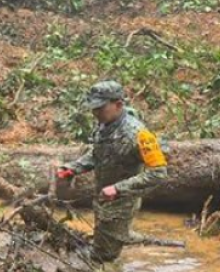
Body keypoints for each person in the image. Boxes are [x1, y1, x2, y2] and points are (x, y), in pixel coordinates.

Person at [56, 81, 169, 262]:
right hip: (103, 197)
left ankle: (113, 261)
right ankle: (123, 238)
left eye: (100, 108)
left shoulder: (140, 135)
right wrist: (73, 168)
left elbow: (158, 173)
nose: (95, 113)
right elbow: (98, 153)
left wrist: (118, 188)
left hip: (121, 202)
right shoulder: (105, 124)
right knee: (102, 235)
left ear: (118, 104)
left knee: (103, 258)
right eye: (93, 108)